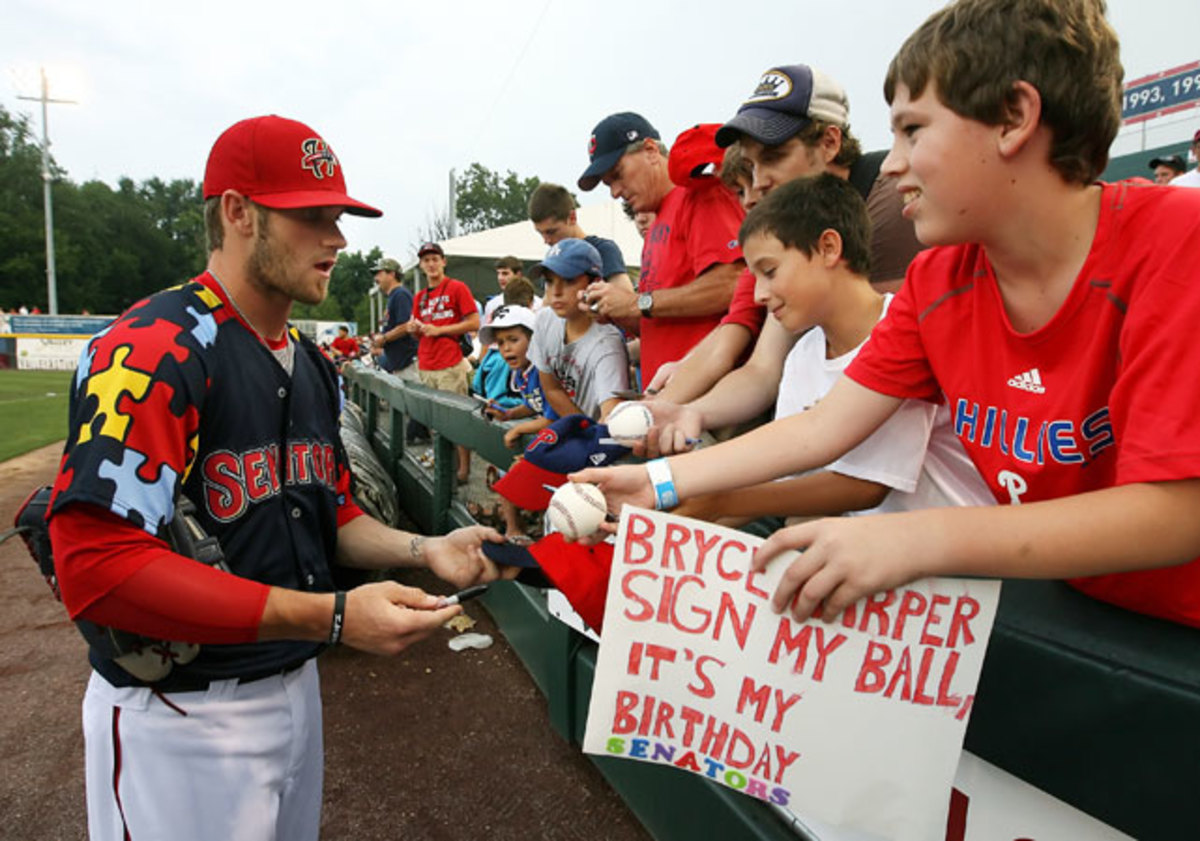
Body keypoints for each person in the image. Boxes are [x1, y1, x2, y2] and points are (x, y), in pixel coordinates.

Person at [575, 0, 1200, 632]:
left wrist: (920, 540)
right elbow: (821, 431)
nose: (892, 161)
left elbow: (1177, 514)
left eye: (913, 130)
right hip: (1068, 610)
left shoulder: (1177, 241)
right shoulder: (938, 279)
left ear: (1014, 118)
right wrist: (657, 482)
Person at [45, 114, 508, 841]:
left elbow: (336, 516)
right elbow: (96, 568)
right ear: (237, 212)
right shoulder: (155, 346)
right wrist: (330, 616)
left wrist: (426, 550)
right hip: (182, 713)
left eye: (339, 216)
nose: (338, 238)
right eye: (312, 215)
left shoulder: (311, 362)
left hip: (294, 689)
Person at [673, 174, 990, 527]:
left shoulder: (904, 332)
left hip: (958, 559)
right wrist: (684, 521)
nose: (760, 294)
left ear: (828, 248)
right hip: (871, 549)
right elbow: (791, 478)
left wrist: (718, 500)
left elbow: (866, 487)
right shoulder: (803, 355)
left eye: (770, 271)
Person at [647, 63, 925, 407]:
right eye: (751, 166)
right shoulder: (781, 232)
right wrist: (664, 413)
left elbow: (906, 352)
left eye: (774, 156)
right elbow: (763, 369)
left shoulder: (892, 201)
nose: (759, 183)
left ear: (828, 142)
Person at [576, 113, 745, 386]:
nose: (615, 192)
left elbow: (735, 284)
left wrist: (635, 302)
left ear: (651, 151)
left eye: (617, 175)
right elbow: (659, 321)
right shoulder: (657, 220)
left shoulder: (699, 194)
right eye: (608, 184)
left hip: (709, 399)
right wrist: (618, 311)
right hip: (672, 400)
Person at [528, 238, 629, 421]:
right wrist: (579, 429)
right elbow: (551, 389)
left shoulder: (607, 344)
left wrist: (585, 438)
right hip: (576, 429)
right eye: (549, 281)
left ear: (595, 283)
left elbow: (610, 417)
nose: (555, 291)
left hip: (601, 441)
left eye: (568, 280)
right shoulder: (544, 319)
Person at [413, 241, 480, 484]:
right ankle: (444, 465)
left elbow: (474, 323)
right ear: (421, 265)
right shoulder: (420, 297)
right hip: (426, 365)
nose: (431, 264)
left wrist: (440, 330)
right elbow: (421, 332)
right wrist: (414, 329)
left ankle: (463, 471)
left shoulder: (456, 287)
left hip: (449, 364)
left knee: (457, 419)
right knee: (435, 422)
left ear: (443, 262)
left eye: (434, 259)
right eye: (426, 260)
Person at [370, 256, 419, 379]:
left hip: (408, 363)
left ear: (391, 274)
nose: (376, 278)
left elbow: (406, 326)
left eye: (379, 274)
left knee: (409, 398)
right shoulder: (393, 296)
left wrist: (384, 338)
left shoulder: (400, 294)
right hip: (399, 363)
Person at [483, 255, 540, 324]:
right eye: (498, 273)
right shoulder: (492, 304)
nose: (500, 278)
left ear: (518, 275)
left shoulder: (538, 304)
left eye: (505, 273)